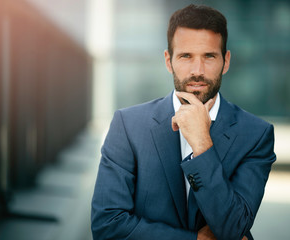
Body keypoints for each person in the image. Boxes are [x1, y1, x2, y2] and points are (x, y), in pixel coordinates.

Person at [91, 4, 276, 240]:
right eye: (186, 56)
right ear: (168, 61)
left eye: (209, 56)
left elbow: (234, 230)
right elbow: (106, 226)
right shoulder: (127, 126)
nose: (197, 70)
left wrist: (202, 144)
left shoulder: (256, 135)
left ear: (226, 61)